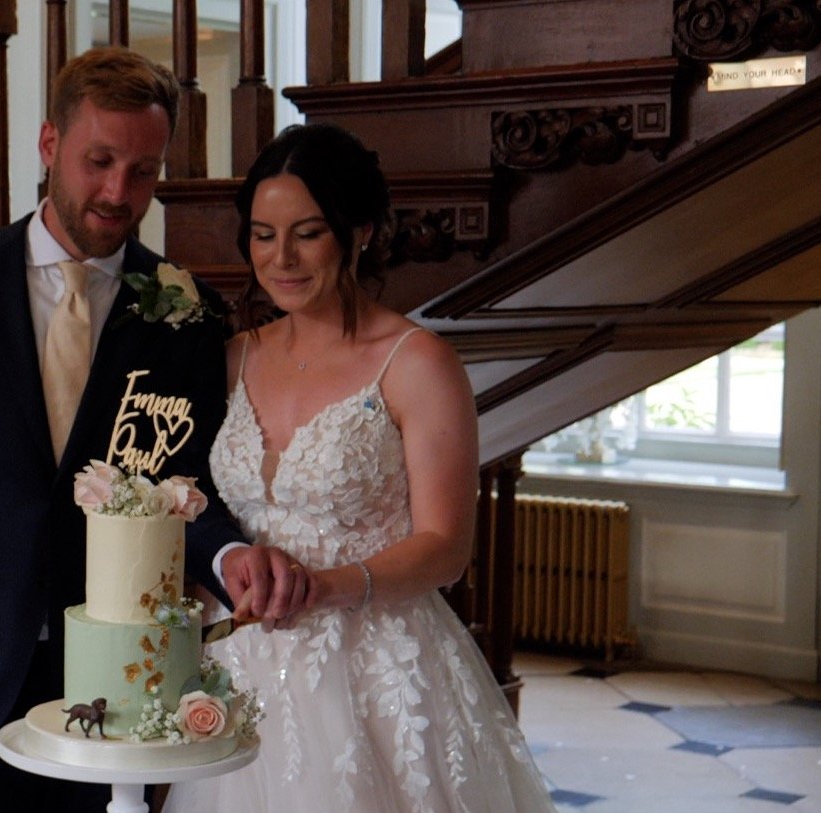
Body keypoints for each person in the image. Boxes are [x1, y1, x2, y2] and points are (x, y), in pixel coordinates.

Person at [0, 48, 311, 812]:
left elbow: (186, 488)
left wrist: (230, 552)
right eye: (99, 160)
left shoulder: (187, 309)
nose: (117, 192)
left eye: (143, 171)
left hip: (119, 685)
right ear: (49, 145)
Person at [164, 124, 558, 812]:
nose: (280, 257)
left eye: (307, 233)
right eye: (262, 234)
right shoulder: (234, 357)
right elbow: (196, 501)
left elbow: (447, 547)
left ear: (362, 231)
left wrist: (331, 584)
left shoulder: (417, 363)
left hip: (376, 662)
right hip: (243, 660)